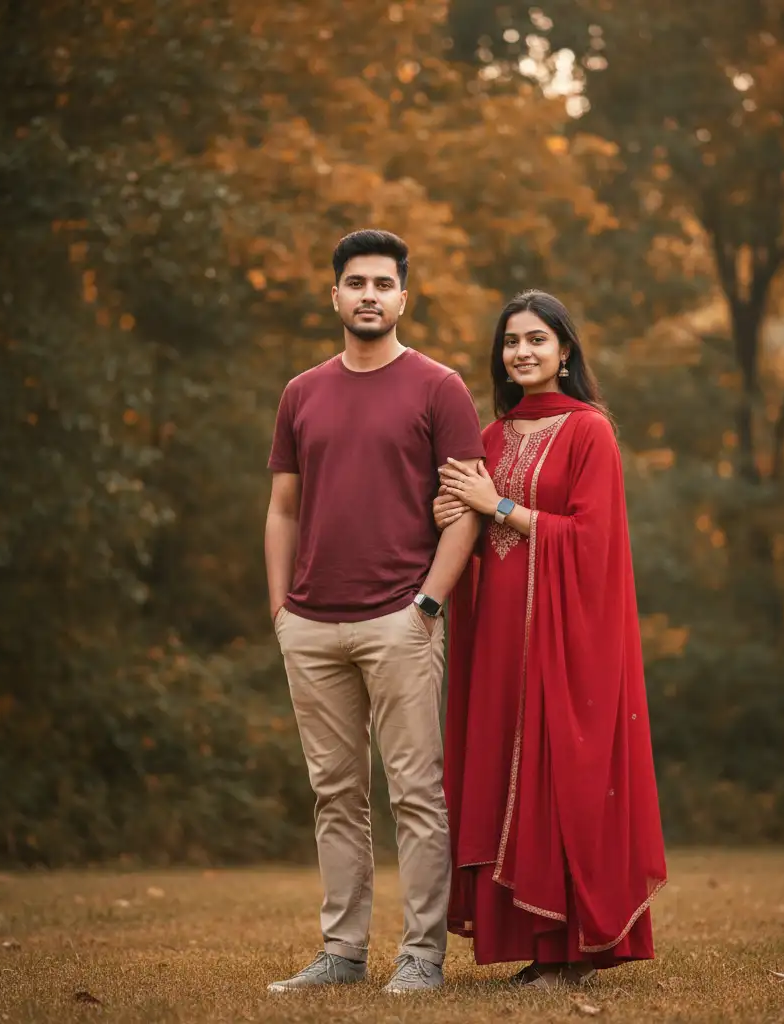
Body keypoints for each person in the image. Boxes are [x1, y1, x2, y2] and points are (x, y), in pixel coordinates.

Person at [263, 230, 486, 994]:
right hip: (311, 624)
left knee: (416, 792)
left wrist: (428, 603)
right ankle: (342, 952)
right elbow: (282, 509)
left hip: (401, 618)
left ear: (402, 297)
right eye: (355, 283)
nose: (368, 295)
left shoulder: (439, 387)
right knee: (335, 794)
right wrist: (280, 611)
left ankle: (421, 955)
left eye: (382, 283)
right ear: (335, 296)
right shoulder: (302, 391)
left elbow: (466, 510)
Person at [434, 290, 668, 988]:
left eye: (537, 339)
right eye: (511, 342)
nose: (522, 352)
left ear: (565, 351)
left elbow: (593, 540)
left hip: (564, 637)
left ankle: (570, 950)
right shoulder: (490, 437)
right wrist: (454, 512)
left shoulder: (590, 430)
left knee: (558, 769)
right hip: (499, 639)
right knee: (505, 770)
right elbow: (469, 531)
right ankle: (530, 941)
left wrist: (498, 505)